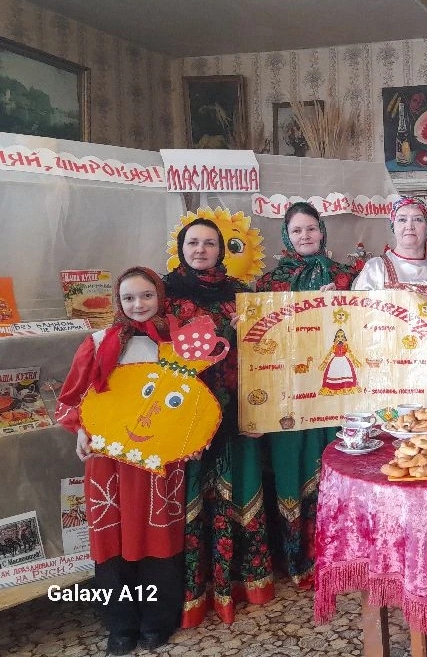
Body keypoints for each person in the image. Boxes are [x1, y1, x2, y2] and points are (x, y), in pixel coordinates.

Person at [55, 267, 184, 656]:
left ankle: (157, 620)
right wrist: (80, 429)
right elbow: (71, 399)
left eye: (146, 295)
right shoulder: (98, 343)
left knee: (158, 536)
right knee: (112, 540)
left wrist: (191, 436)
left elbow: (192, 400)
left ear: (160, 297)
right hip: (109, 461)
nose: (138, 304)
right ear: (118, 301)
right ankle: (120, 624)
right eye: (129, 298)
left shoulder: (177, 344)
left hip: (159, 460)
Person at [162, 218, 274, 627]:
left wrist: (260, 408)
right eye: (193, 242)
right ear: (181, 247)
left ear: (221, 250)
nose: (201, 250)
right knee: (193, 496)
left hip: (237, 412)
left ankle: (243, 586)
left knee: (238, 491)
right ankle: (193, 594)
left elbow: (267, 350)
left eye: (209, 243)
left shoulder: (243, 294)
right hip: (186, 415)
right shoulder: (164, 294)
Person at [254, 201, 358, 587]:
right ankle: (300, 561)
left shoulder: (348, 277)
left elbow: (367, 329)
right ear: (286, 236)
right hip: (289, 395)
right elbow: (259, 340)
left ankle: (342, 560)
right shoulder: (268, 285)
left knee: (338, 467)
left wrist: (342, 305)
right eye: (297, 231)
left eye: (311, 228)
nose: (305, 236)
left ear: (322, 231)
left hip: (337, 395)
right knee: (291, 469)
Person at [351, 196, 427, 312]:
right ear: (393, 227)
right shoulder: (376, 268)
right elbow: (360, 315)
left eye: (418, 219)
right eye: (402, 219)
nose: (409, 226)